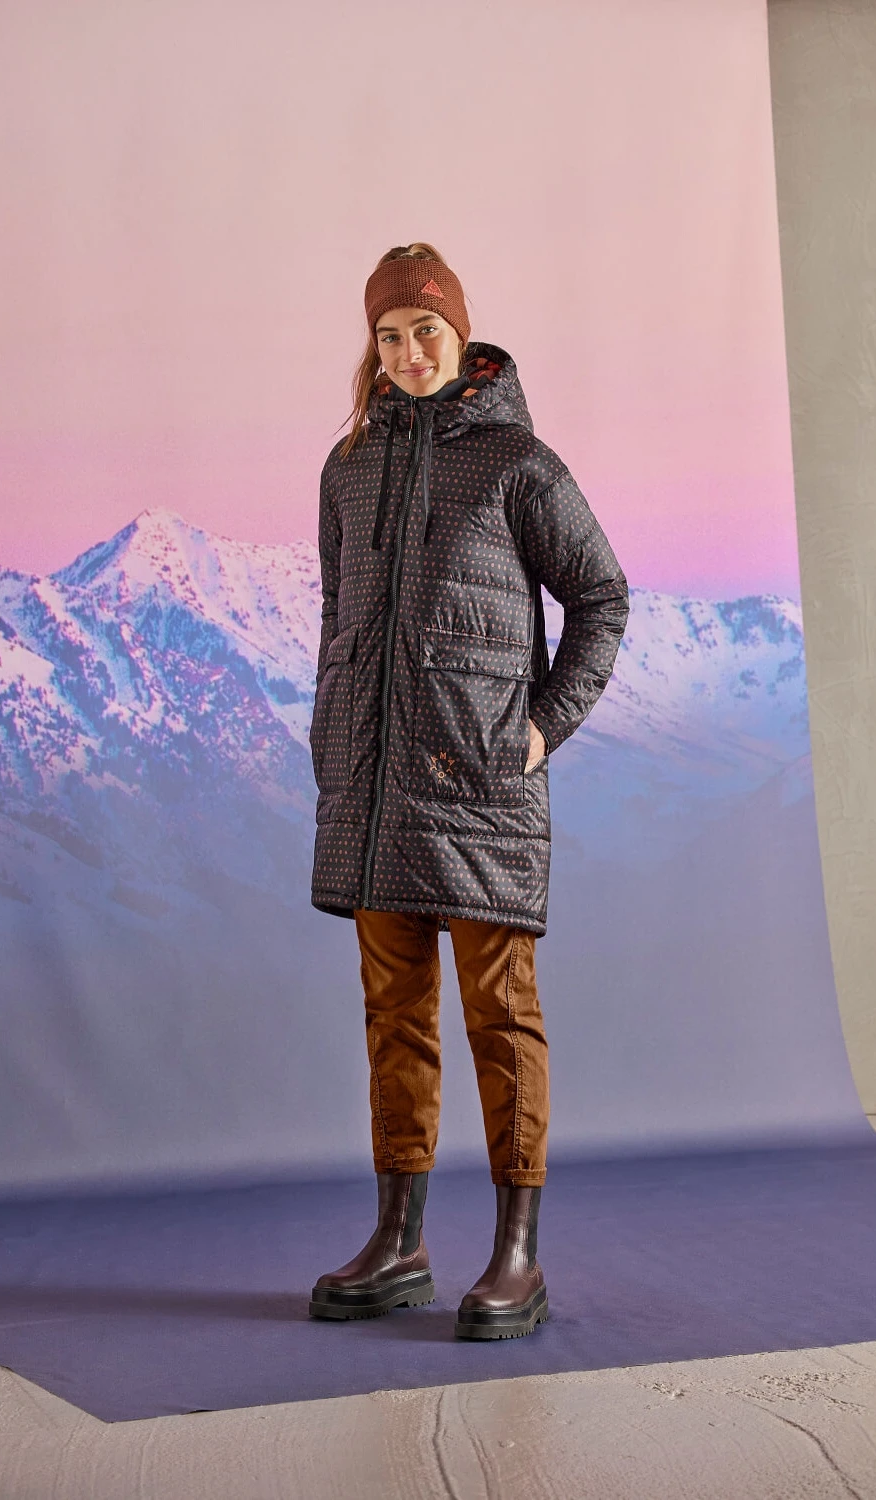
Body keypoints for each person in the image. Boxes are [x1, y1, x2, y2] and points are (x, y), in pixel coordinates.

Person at [305, 244, 629, 1340]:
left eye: (426, 332)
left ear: (462, 334)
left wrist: (542, 728)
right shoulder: (346, 469)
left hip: (483, 791)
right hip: (376, 794)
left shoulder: (518, 464)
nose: (409, 352)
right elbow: (337, 622)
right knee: (394, 1018)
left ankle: (516, 1257)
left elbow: (602, 596)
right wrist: (334, 743)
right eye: (389, 336)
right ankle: (399, 1243)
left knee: (501, 1018)